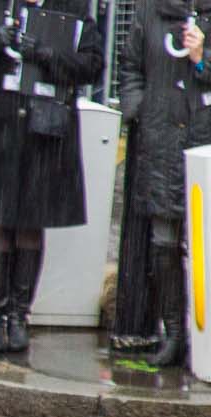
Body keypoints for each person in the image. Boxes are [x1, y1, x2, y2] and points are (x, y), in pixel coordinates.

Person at [0, 0, 106, 353]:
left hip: (45, 131)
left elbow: (93, 67)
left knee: (32, 223)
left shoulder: (73, 8)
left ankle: (19, 315)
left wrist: (47, 54)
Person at [114, 0, 210, 367]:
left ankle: (204, 334)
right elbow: (131, 68)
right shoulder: (148, 12)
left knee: (204, 245)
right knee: (164, 242)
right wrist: (137, 109)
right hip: (159, 141)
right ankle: (174, 335)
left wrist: (202, 58)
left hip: (203, 140)